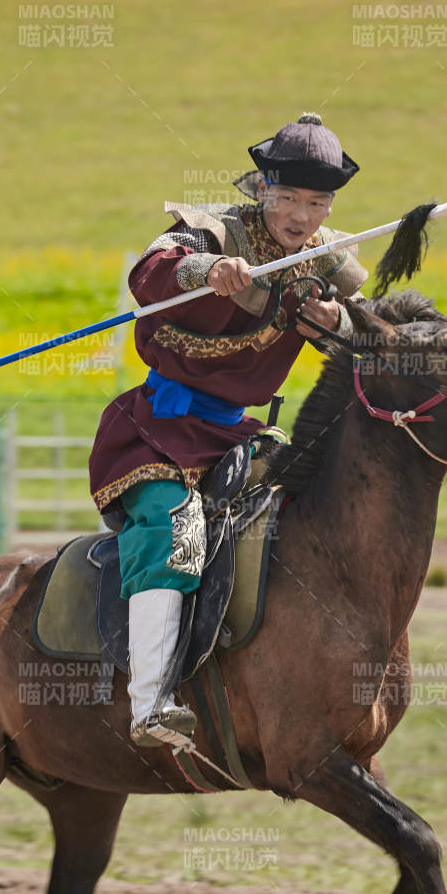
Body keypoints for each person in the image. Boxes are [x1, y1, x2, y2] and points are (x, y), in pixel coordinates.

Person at [87, 112, 369, 748]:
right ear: (262, 189)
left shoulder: (332, 261)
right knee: (175, 527)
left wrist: (335, 322)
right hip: (161, 428)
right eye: (289, 197)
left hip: (241, 437)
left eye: (317, 202)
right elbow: (151, 273)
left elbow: (359, 336)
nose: (301, 215)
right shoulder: (210, 231)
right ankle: (150, 703)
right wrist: (206, 273)